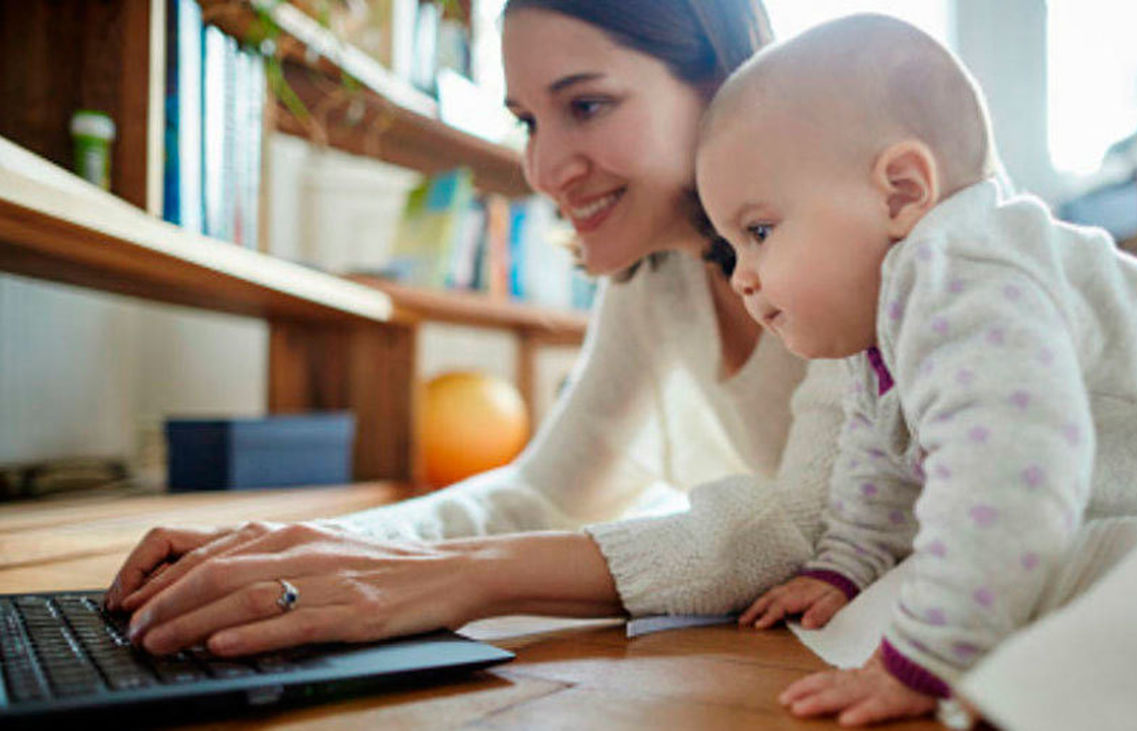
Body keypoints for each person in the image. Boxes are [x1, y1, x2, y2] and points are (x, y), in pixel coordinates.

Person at [102, 0, 847, 660]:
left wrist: (455, 578)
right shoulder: (658, 280)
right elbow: (540, 494)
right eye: (526, 121)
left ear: (721, 84)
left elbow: (804, 527)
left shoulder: (857, 252)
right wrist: (321, 548)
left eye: (585, 105)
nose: (543, 167)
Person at [694, 13, 1137, 727]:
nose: (741, 277)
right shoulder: (886, 331)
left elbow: (1010, 471)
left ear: (899, 192)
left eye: (759, 231)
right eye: (734, 247)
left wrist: (920, 655)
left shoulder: (966, 275)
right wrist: (845, 564)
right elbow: (879, 459)